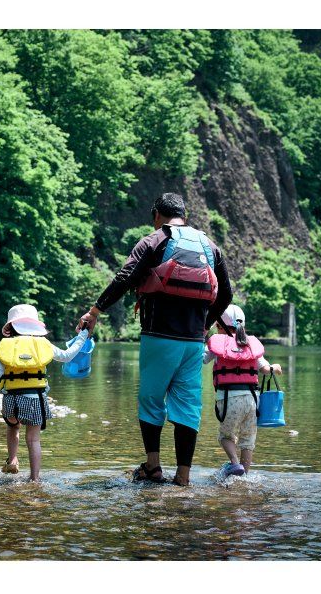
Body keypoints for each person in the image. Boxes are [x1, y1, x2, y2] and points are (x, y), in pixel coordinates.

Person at [77, 193, 233, 486]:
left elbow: (125, 278)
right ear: (184, 216)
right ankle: (183, 477)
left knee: (151, 400)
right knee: (187, 407)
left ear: (156, 215)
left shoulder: (153, 240)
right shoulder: (210, 246)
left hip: (159, 336)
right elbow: (226, 295)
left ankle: (153, 467)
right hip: (192, 343)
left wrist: (95, 310)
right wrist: (205, 326)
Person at [0, 304, 90, 482]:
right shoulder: (43, 344)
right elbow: (67, 355)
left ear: (11, 326)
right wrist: (83, 335)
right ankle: (34, 479)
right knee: (33, 440)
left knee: (13, 426)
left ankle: (13, 459)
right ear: (35, 325)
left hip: (10, 400)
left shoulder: (6, 345)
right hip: (34, 399)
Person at [204, 304, 282, 477]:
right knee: (248, 440)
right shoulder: (250, 344)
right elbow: (266, 369)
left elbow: (200, 359)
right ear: (243, 325)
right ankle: (245, 476)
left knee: (225, 436)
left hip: (228, 400)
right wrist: (274, 367)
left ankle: (235, 464)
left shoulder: (217, 344)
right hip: (252, 401)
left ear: (218, 326)